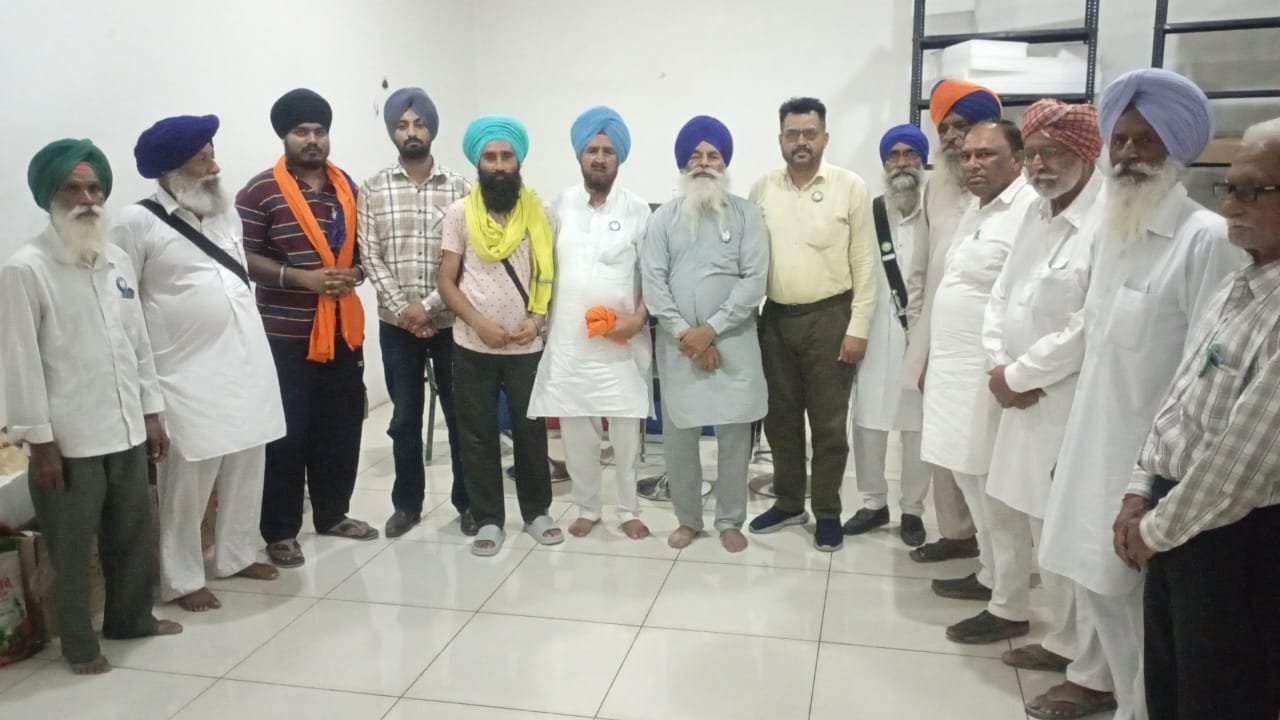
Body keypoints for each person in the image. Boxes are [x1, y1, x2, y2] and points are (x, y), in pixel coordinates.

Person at [1038, 68, 1246, 720]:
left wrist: (1157, 486)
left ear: (1176, 148)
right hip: (1093, 451)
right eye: (1121, 140)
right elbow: (1097, 350)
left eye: (1145, 140)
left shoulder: (1205, 239)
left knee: (1146, 614)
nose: (1128, 154)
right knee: (1102, 595)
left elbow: (1209, 375)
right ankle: (1128, 705)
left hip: (1149, 470)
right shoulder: (1114, 231)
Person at [1116, 117, 1280, 720]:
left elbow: (1245, 460)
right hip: (1175, 516)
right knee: (1171, 687)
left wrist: (1155, 530)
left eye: (1253, 191)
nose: (1231, 205)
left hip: (1233, 536)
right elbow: (1180, 396)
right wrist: (1140, 488)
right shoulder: (1242, 284)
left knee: (1221, 697)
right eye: (1229, 188)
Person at [1, 139, 182, 674]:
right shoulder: (26, 268)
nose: (86, 199)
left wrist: (151, 411)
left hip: (125, 428)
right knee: (72, 547)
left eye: (94, 188)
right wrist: (39, 442)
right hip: (68, 440)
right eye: (72, 189)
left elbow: (137, 343)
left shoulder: (116, 259)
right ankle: (79, 644)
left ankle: (132, 619)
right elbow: (19, 361)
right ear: (49, 197)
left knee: (132, 534)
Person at [114, 115, 286, 611]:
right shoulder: (135, 222)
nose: (214, 166)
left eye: (212, 154)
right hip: (183, 372)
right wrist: (145, 392)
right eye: (202, 158)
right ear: (171, 170)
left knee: (248, 458)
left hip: (245, 359)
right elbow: (123, 305)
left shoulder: (225, 212)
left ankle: (236, 553)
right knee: (189, 478)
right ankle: (183, 578)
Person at [236, 88, 377, 568]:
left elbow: (366, 253)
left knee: (341, 427)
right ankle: (280, 530)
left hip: (343, 329)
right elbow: (243, 257)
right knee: (287, 434)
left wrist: (353, 273)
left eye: (320, 131)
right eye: (302, 132)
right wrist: (304, 279)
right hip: (284, 335)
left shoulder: (348, 190)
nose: (312, 140)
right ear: (285, 136)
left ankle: (333, 513)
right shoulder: (259, 192)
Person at [747, 97, 878, 552]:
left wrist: (858, 326)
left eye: (809, 133)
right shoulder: (763, 188)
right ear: (780, 139)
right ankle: (788, 503)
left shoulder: (849, 186)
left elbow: (864, 261)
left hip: (830, 319)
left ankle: (826, 511)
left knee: (827, 426)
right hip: (775, 319)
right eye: (792, 134)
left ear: (824, 137)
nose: (800, 142)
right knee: (779, 421)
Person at [640, 115, 768, 553]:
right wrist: (687, 335)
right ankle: (688, 519)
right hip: (680, 347)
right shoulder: (663, 219)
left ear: (724, 163)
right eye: (695, 156)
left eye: (713, 155)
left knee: (734, 437)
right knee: (680, 439)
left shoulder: (747, 214)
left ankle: (730, 520)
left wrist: (711, 330)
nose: (704, 163)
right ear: (683, 164)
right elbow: (654, 283)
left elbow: (755, 280)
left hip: (733, 342)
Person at [921, 120, 1036, 607]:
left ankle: (1009, 600)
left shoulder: (1029, 211)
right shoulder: (976, 208)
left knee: (994, 487)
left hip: (988, 374)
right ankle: (989, 573)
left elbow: (1026, 300)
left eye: (986, 154)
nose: (973, 163)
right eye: (967, 155)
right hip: (951, 371)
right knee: (966, 475)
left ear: (1018, 159)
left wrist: (1012, 370)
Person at [437, 114, 561, 557]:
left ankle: (537, 512)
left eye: (507, 156)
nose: (499, 165)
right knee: (477, 434)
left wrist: (537, 320)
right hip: (473, 344)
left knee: (531, 431)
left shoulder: (541, 213)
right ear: (478, 163)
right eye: (490, 157)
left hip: (526, 344)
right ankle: (488, 517)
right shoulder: (458, 214)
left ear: (519, 160)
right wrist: (479, 324)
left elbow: (549, 274)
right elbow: (446, 280)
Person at [528, 106, 653, 539]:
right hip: (571, 340)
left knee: (626, 431)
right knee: (577, 428)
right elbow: (540, 268)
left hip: (622, 341)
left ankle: (629, 509)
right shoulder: (557, 206)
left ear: (619, 158)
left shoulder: (638, 211)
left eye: (608, 151)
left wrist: (638, 319)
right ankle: (587, 507)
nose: (599, 158)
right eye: (592, 150)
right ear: (580, 155)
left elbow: (652, 276)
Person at [358, 88, 475, 538]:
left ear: (431, 129)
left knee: (460, 417)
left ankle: (468, 503)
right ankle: (407, 504)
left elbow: (466, 259)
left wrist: (427, 307)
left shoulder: (460, 188)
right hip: (396, 326)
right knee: (404, 419)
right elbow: (370, 256)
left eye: (419, 124)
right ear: (392, 131)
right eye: (402, 125)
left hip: (451, 322)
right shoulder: (372, 188)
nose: (411, 132)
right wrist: (406, 310)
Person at [902, 79, 1003, 564]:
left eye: (961, 126)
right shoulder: (935, 189)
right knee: (940, 439)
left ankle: (1001, 555)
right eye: (944, 128)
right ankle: (956, 534)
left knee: (989, 449)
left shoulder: (1018, 195)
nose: (951, 137)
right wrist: (917, 342)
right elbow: (920, 271)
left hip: (991, 349)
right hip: (937, 341)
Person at [844, 123, 930, 547]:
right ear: (883, 164)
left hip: (922, 337)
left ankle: (912, 509)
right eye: (893, 155)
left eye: (910, 154)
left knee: (917, 430)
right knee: (868, 423)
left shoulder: (937, 210)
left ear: (923, 161)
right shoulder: (871, 211)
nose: (901, 163)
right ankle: (873, 503)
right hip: (876, 333)